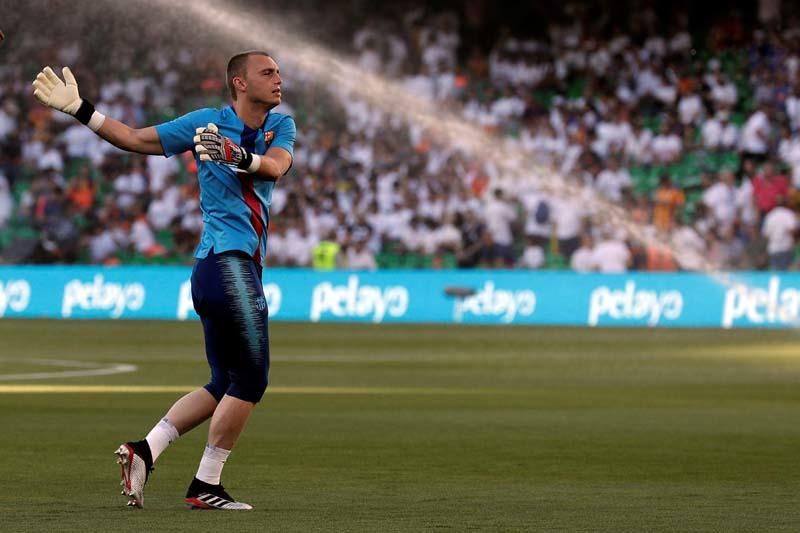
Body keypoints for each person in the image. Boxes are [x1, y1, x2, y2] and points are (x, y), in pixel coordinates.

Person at [32, 51, 295, 510]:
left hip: (220, 268)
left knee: (222, 384)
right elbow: (133, 138)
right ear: (239, 82)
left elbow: (274, 167)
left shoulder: (281, 126)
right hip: (227, 265)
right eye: (267, 72)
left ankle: (144, 451)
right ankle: (205, 485)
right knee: (251, 381)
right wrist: (80, 109)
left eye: (278, 72)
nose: (278, 79)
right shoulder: (203, 123)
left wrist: (235, 154)